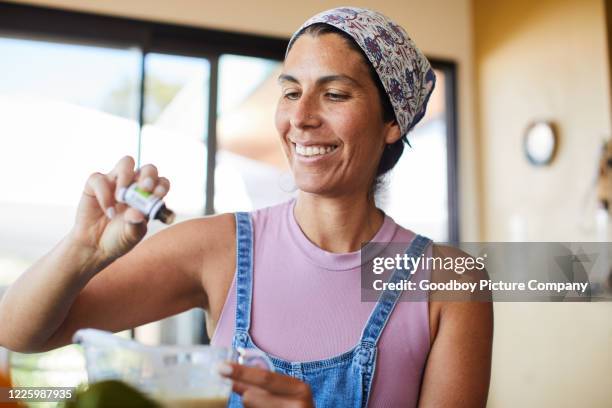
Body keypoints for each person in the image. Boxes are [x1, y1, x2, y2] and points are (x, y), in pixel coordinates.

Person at [0, 6, 493, 408]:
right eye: (291, 92)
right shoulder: (219, 248)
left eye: (335, 94)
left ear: (392, 122)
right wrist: (83, 249)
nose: (300, 117)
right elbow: (21, 332)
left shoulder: (453, 283)